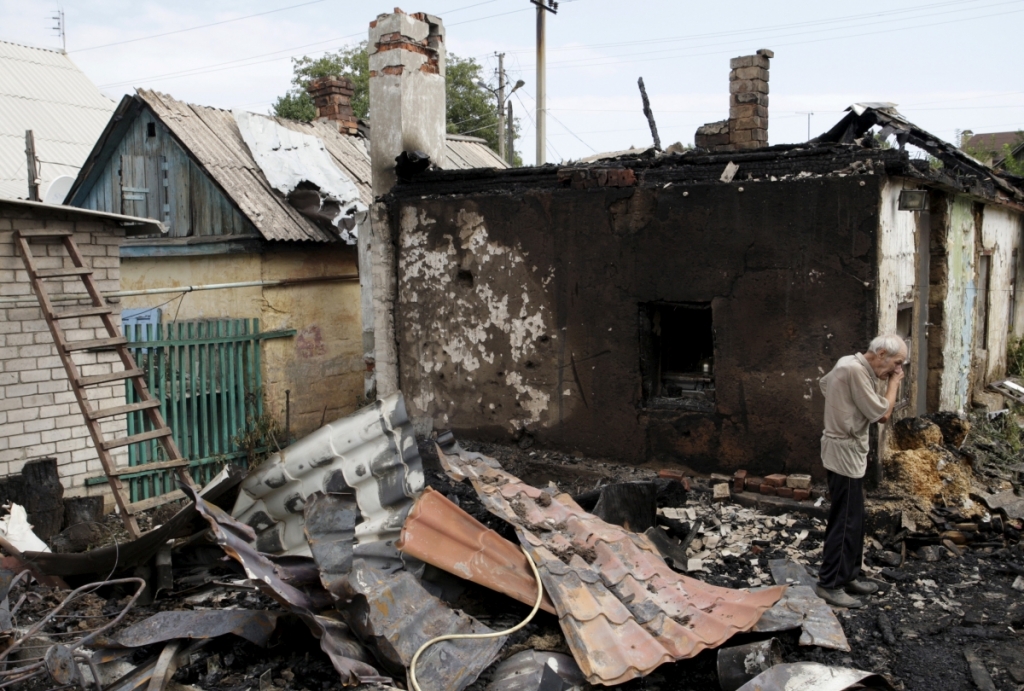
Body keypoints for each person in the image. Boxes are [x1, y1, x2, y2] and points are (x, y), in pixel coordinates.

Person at [815, 334, 906, 608]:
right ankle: (829, 584)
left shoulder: (849, 365)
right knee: (845, 522)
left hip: (848, 451)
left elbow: (824, 385)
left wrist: (847, 406)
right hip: (843, 452)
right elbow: (883, 415)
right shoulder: (853, 369)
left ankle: (849, 575)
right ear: (880, 353)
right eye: (896, 363)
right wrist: (893, 384)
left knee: (855, 518)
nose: (897, 369)